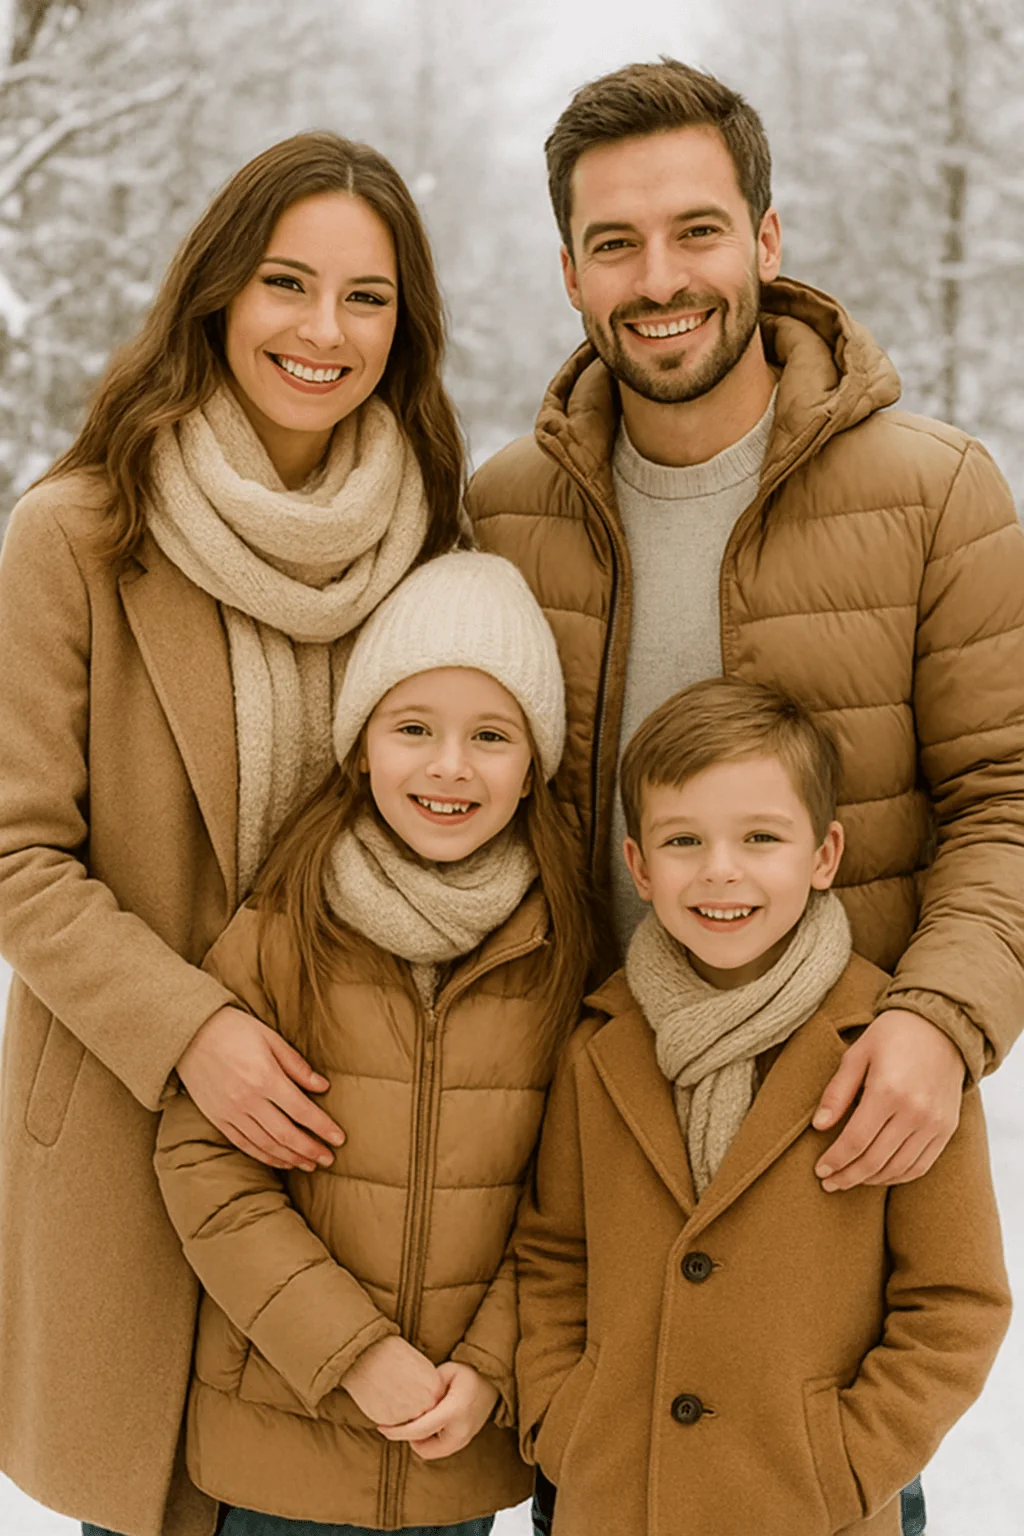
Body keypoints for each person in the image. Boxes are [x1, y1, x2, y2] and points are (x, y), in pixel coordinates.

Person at [464, 61, 1024, 1533]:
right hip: (591, 1179)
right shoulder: (505, 511)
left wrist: (940, 1018)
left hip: (823, 1202)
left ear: (768, 243)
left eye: (697, 231)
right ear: (572, 269)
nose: (662, 280)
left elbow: (1009, 798)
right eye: (616, 243)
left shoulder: (937, 492)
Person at [0, 132, 466, 1536]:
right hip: (141, 1144)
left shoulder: (440, 546)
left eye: (368, 298)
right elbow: (18, 853)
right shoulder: (78, 534)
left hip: (370, 1158)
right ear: (216, 294)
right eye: (286, 282)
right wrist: (194, 1030)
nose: (325, 331)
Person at [151, 550, 590, 1536]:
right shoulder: (282, 928)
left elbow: (574, 1206)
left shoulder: (562, 957)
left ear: (533, 769)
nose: (449, 765)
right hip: (279, 1447)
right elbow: (205, 1170)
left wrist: (485, 1371)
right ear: (359, 749)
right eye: (413, 729)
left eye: (490, 735)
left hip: (455, 1450)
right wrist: (352, 1355)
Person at [515, 676, 1011, 1536]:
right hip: (609, 1504)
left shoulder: (893, 1052)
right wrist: (565, 1421)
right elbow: (553, 1257)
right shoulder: (596, 1045)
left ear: (824, 855)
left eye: (759, 837)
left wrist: (847, 1462)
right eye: (682, 839)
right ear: (637, 865)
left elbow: (956, 1302)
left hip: (811, 1511)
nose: (720, 870)